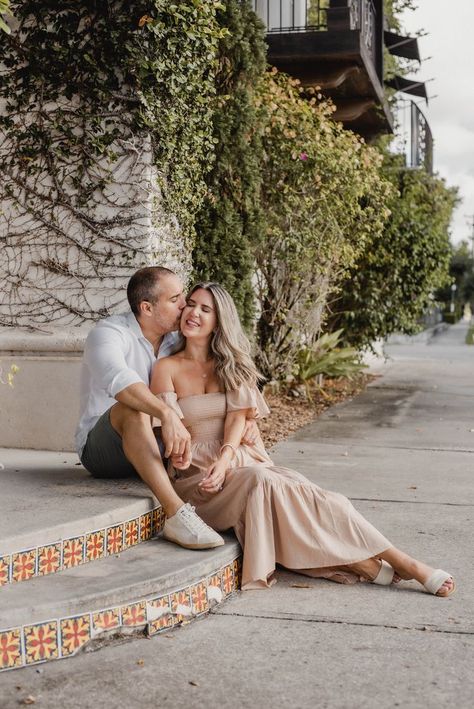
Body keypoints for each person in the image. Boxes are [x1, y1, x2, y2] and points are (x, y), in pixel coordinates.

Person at [150, 282, 455, 596]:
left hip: (241, 461)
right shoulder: (166, 367)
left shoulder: (233, 365)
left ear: (219, 321)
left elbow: (238, 417)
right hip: (198, 480)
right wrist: (180, 452)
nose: (193, 313)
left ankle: (388, 561)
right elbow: (169, 427)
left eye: (205, 309)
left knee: (323, 498)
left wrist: (228, 453)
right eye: (191, 304)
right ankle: (389, 562)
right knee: (264, 483)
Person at [75, 266, 259, 551]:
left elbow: (217, 372)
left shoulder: (176, 339)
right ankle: (176, 513)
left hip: (163, 451)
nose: (185, 305)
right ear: (147, 308)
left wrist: (239, 417)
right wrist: (166, 413)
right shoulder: (108, 335)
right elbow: (121, 382)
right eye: (175, 299)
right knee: (132, 408)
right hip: (106, 446)